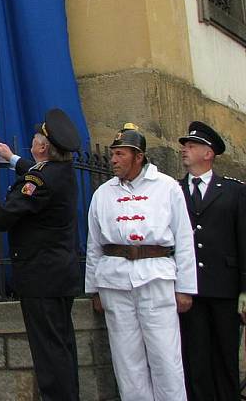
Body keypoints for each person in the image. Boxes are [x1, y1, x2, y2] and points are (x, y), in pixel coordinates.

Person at [85, 124, 196, 401]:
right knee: (126, 359)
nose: (113, 160)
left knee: (165, 357)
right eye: (112, 154)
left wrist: (185, 287)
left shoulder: (167, 188)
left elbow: (184, 238)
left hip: (155, 278)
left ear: (138, 156)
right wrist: (94, 289)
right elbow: (94, 244)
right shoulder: (103, 194)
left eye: (120, 154)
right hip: (115, 281)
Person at [0, 108, 82, 401]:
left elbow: (15, 207)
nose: (33, 142)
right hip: (59, 275)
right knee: (62, 346)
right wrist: (11, 158)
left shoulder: (42, 180)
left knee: (49, 353)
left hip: (42, 277)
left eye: (36, 139)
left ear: (42, 147)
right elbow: (34, 173)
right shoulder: (60, 172)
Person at [176, 121, 246, 401]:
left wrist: (244, 291)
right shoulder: (175, 189)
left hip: (225, 288)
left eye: (191, 146)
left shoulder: (233, 191)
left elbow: (243, 241)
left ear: (208, 153)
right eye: (185, 145)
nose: (184, 150)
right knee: (195, 357)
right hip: (190, 289)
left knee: (225, 355)